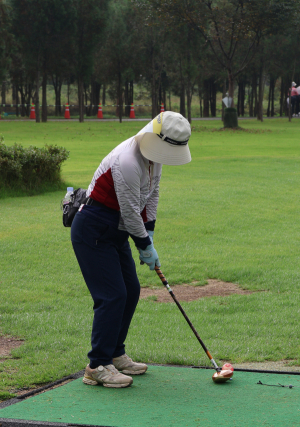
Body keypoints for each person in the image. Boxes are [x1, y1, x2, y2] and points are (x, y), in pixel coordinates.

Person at [71, 111, 192, 388]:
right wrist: (145, 245)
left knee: (131, 290)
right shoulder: (127, 160)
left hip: (118, 229)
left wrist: (150, 229)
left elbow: (153, 193)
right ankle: (97, 365)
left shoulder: (154, 157)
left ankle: (115, 352)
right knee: (112, 295)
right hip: (94, 227)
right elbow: (128, 211)